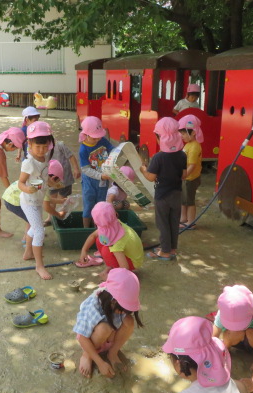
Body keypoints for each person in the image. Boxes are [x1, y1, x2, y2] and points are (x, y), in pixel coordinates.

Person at [73, 268, 143, 378]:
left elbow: (123, 318)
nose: (125, 312)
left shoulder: (115, 303)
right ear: (113, 301)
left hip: (109, 336)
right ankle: (87, 356)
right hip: (91, 339)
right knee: (104, 328)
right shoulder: (93, 306)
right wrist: (100, 363)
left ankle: (112, 353)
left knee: (129, 321)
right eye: (123, 309)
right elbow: (82, 337)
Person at [212, 285, 253, 393]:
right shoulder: (224, 311)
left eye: (239, 324)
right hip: (237, 340)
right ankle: (225, 350)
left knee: (250, 332)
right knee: (232, 332)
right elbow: (212, 338)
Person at [139, 117, 187, 260]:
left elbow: (151, 177)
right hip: (177, 193)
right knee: (173, 221)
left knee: (163, 223)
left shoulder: (158, 157)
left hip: (162, 196)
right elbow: (184, 175)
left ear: (159, 137)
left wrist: (143, 170)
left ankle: (164, 251)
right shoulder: (182, 155)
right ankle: (172, 249)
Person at [18, 121, 56, 280]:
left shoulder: (45, 157)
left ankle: (28, 253)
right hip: (29, 201)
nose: (41, 150)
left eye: (44, 146)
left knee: (35, 227)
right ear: (30, 144)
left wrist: (51, 183)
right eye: (37, 147)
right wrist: (27, 188)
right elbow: (21, 183)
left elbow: (41, 179)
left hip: (37, 199)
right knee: (40, 230)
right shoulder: (28, 163)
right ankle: (39, 266)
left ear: (49, 144)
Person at [3, 159, 68, 242]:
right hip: (13, 201)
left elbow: (46, 199)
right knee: (32, 219)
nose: (57, 185)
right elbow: (47, 207)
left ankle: (31, 236)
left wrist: (60, 201)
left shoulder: (39, 179)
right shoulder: (41, 184)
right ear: (53, 178)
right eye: (58, 182)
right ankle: (27, 240)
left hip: (10, 196)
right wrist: (58, 214)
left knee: (32, 218)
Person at [77, 201, 144, 280]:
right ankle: (111, 266)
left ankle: (116, 269)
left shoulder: (117, 243)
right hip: (130, 255)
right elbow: (93, 236)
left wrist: (110, 278)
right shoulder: (114, 222)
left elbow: (124, 268)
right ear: (115, 214)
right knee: (99, 239)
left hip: (132, 263)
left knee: (106, 251)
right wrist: (84, 250)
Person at [79, 116, 113, 227]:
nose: (97, 139)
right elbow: (85, 169)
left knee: (100, 204)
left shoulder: (102, 140)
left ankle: (97, 227)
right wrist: (100, 176)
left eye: (99, 137)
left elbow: (112, 149)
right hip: (90, 182)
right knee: (88, 204)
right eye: (94, 138)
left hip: (103, 180)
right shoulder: (83, 149)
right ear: (86, 135)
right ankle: (85, 229)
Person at [45, 140, 81, 226]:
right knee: (51, 199)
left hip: (65, 179)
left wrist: (76, 168)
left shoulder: (60, 145)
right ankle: (50, 217)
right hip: (51, 180)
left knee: (63, 199)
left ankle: (61, 216)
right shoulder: (41, 149)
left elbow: (71, 156)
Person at [178, 115, 203, 229]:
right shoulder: (188, 145)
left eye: (183, 133)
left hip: (190, 178)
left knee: (189, 201)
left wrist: (184, 175)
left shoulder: (194, 147)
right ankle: (183, 218)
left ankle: (191, 222)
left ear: (193, 132)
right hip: (185, 178)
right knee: (183, 199)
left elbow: (192, 165)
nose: (181, 136)